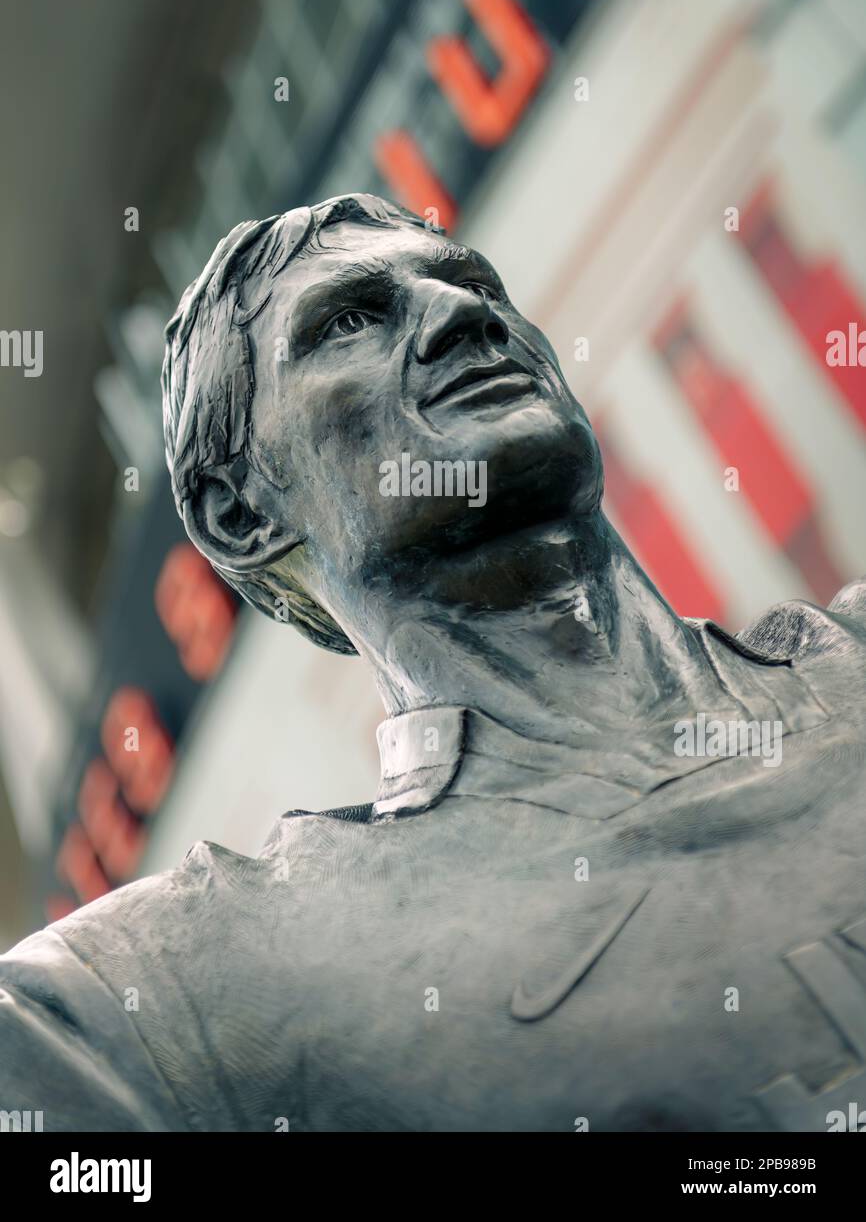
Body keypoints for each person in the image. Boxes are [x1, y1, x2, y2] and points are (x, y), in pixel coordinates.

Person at [2, 193, 865, 1131]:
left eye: (472, 284)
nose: (463, 315)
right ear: (239, 514)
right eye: (350, 321)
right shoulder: (202, 992)